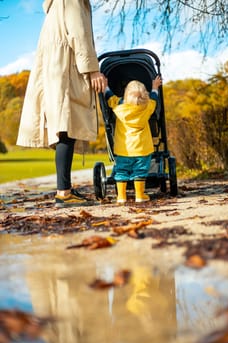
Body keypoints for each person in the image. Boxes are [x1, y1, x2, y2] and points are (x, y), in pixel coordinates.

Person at [16, 0, 106, 207]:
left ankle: (63, 189)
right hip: (67, 66)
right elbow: (79, 34)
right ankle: (63, 192)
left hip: (54, 68)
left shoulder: (54, 5)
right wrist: (93, 69)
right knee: (67, 125)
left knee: (63, 126)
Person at [105, 76, 162, 203]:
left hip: (124, 149)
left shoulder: (118, 106)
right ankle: (140, 195)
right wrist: (154, 87)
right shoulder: (148, 107)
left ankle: (121, 197)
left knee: (121, 171)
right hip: (142, 148)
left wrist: (105, 86)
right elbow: (154, 97)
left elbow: (109, 96)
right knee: (140, 171)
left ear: (126, 95)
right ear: (144, 96)